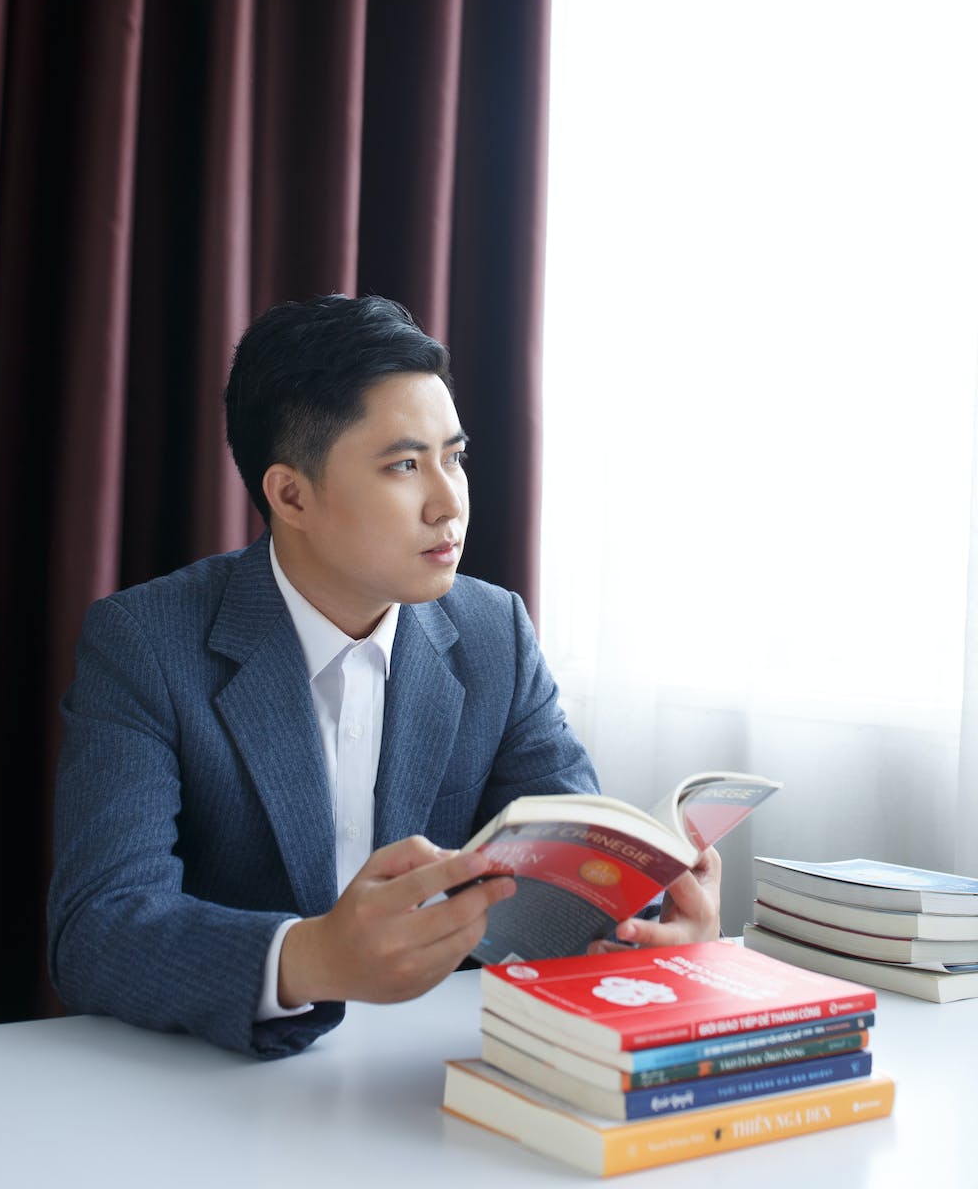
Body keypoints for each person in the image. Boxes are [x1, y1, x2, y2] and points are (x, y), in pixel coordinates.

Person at [47, 293, 721, 1059]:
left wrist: (650, 927)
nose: (449, 502)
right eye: (404, 465)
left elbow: (568, 871)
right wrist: (314, 959)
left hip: (433, 1069)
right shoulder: (147, 642)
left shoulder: (493, 632)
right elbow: (96, 929)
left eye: (454, 457)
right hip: (214, 1082)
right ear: (291, 494)